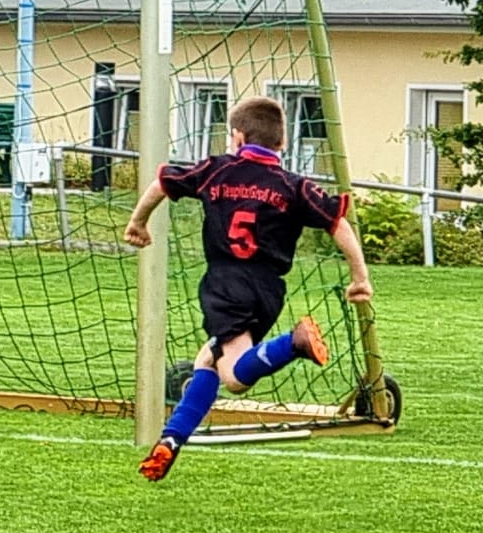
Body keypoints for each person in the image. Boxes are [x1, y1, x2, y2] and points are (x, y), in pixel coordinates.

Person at [124, 94, 373, 483]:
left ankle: (294, 343)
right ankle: (171, 440)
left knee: (236, 378)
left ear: (237, 137)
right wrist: (361, 278)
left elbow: (162, 183)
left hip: (225, 283)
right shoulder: (294, 185)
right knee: (206, 359)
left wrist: (138, 223)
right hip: (269, 289)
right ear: (283, 143)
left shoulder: (215, 170)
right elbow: (337, 223)